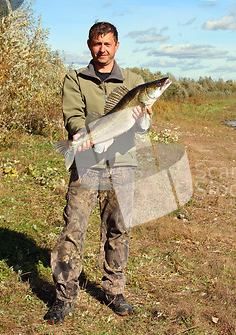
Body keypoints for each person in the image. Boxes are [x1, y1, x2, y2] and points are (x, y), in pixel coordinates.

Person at [44, 21, 152, 325]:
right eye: (96, 43)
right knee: (73, 228)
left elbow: (144, 126)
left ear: (117, 45)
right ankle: (64, 296)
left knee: (119, 228)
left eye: (107, 43)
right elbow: (73, 116)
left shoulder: (134, 81)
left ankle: (114, 291)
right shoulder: (75, 79)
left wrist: (143, 120)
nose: (102, 49)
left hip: (122, 165)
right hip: (87, 162)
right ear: (89, 45)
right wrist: (84, 137)